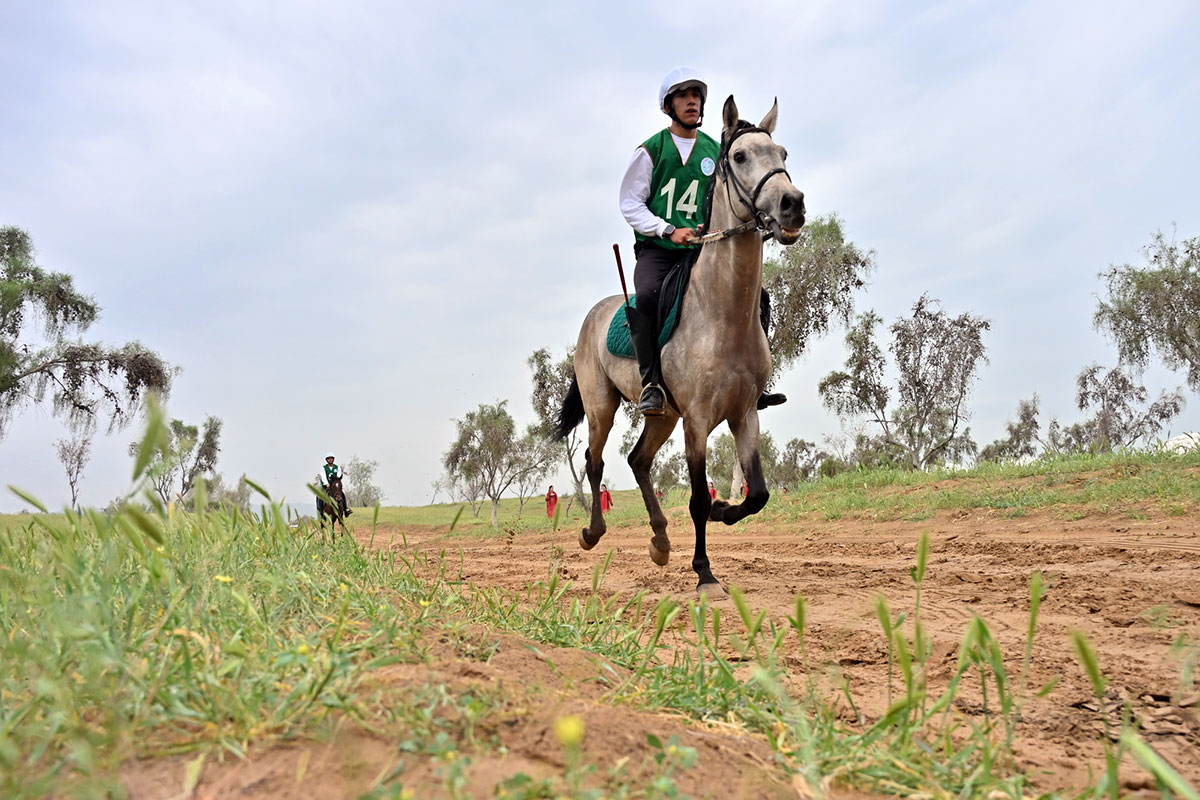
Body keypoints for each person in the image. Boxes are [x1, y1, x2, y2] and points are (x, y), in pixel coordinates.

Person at [619, 66, 787, 416]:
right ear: (668, 106)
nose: (691, 101)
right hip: (659, 251)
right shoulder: (651, 150)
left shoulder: (717, 150)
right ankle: (651, 383)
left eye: (696, 95)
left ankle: (755, 384)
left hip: (704, 249)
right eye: (683, 96)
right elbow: (630, 204)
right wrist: (667, 230)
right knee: (648, 294)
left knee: (761, 297)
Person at [319, 452, 352, 516]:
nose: (330, 460)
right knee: (320, 497)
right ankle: (321, 511)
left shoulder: (337, 467)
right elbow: (323, 477)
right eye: (328, 459)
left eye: (331, 458)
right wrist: (326, 483)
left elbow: (338, 476)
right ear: (326, 460)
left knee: (342, 495)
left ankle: (345, 510)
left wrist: (336, 482)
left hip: (334, 486)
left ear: (333, 459)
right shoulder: (323, 468)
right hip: (326, 486)